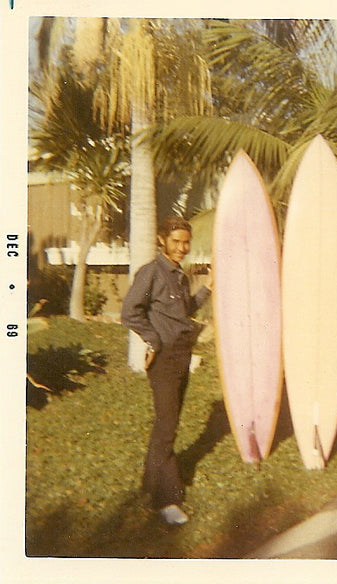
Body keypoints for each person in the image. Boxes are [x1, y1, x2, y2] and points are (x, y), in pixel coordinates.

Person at [121, 216, 212, 525]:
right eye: (176, 241)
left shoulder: (180, 276)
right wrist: (153, 340)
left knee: (167, 422)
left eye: (186, 242)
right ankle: (166, 501)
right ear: (162, 240)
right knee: (167, 426)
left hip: (182, 354)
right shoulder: (151, 273)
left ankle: (151, 482)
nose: (182, 248)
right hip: (164, 359)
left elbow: (183, 311)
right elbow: (130, 312)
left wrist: (208, 289)